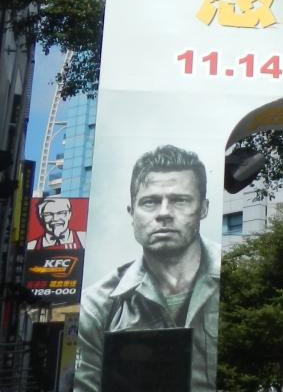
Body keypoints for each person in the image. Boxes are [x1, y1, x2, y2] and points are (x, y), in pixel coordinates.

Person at [76, 145, 219, 392]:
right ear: (132, 214)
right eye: (150, 202)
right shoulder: (96, 306)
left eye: (180, 200)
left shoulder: (234, 275)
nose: (164, 213)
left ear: (203, 208)